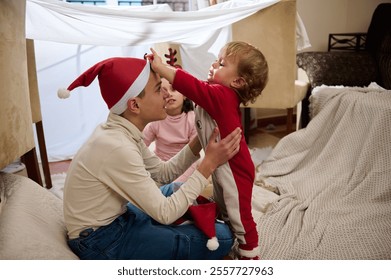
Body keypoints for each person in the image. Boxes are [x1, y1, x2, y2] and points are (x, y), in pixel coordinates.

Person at [58, 56, 242, 260]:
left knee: (176, 189)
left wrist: (200, 138)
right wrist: (208, 164)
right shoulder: (117, 147)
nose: (165, 94)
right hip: (100, 240)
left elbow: (164, 174)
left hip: (118, 217)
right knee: (224, 238)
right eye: (158, 89)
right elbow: (166, 213)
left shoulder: (123, 131)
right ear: (134, 105)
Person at [147, 41, 269, 260]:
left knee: (240, 217)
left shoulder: (222, 96)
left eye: (221, 63)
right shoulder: (216, 92)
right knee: (222, 207)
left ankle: (251, 256)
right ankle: (227, 243)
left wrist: (162, 67)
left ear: (237, 81)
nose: (214, 64)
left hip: (236, 169)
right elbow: (194, 86)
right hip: (223, 166)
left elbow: (192, 86)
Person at [143, 77, 198, 183]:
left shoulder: (193, 119)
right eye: (163, 91)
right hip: (159, 167)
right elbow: (140, 145)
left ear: (185, 95)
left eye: (174, 89)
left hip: (184, 166)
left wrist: (176, 183)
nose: (169, 94)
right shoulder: (156, 120)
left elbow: (193, 156)